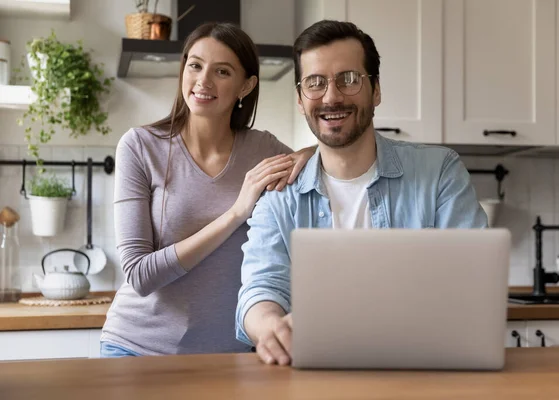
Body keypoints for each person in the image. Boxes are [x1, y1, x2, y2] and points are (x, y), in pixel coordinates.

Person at [235, 20, 488, 365]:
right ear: (299, 99)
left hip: (422, 370)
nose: (332, 96)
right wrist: (270, 327)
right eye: (315, 82)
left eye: (349, 79)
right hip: (314, 377)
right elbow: (261, 288)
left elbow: (475, 282)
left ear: (377, 90)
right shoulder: (280, 194)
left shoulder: (439, 171)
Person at [100, 22, 315, 357]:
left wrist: (308, 152)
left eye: (222, 71)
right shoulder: (140, 147)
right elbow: (139, 274)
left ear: (246, 86)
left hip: (233, 357)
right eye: (195, 65)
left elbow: (327, 159)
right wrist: (235, 213)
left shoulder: (264, 149)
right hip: (138, 351)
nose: (203, 81)